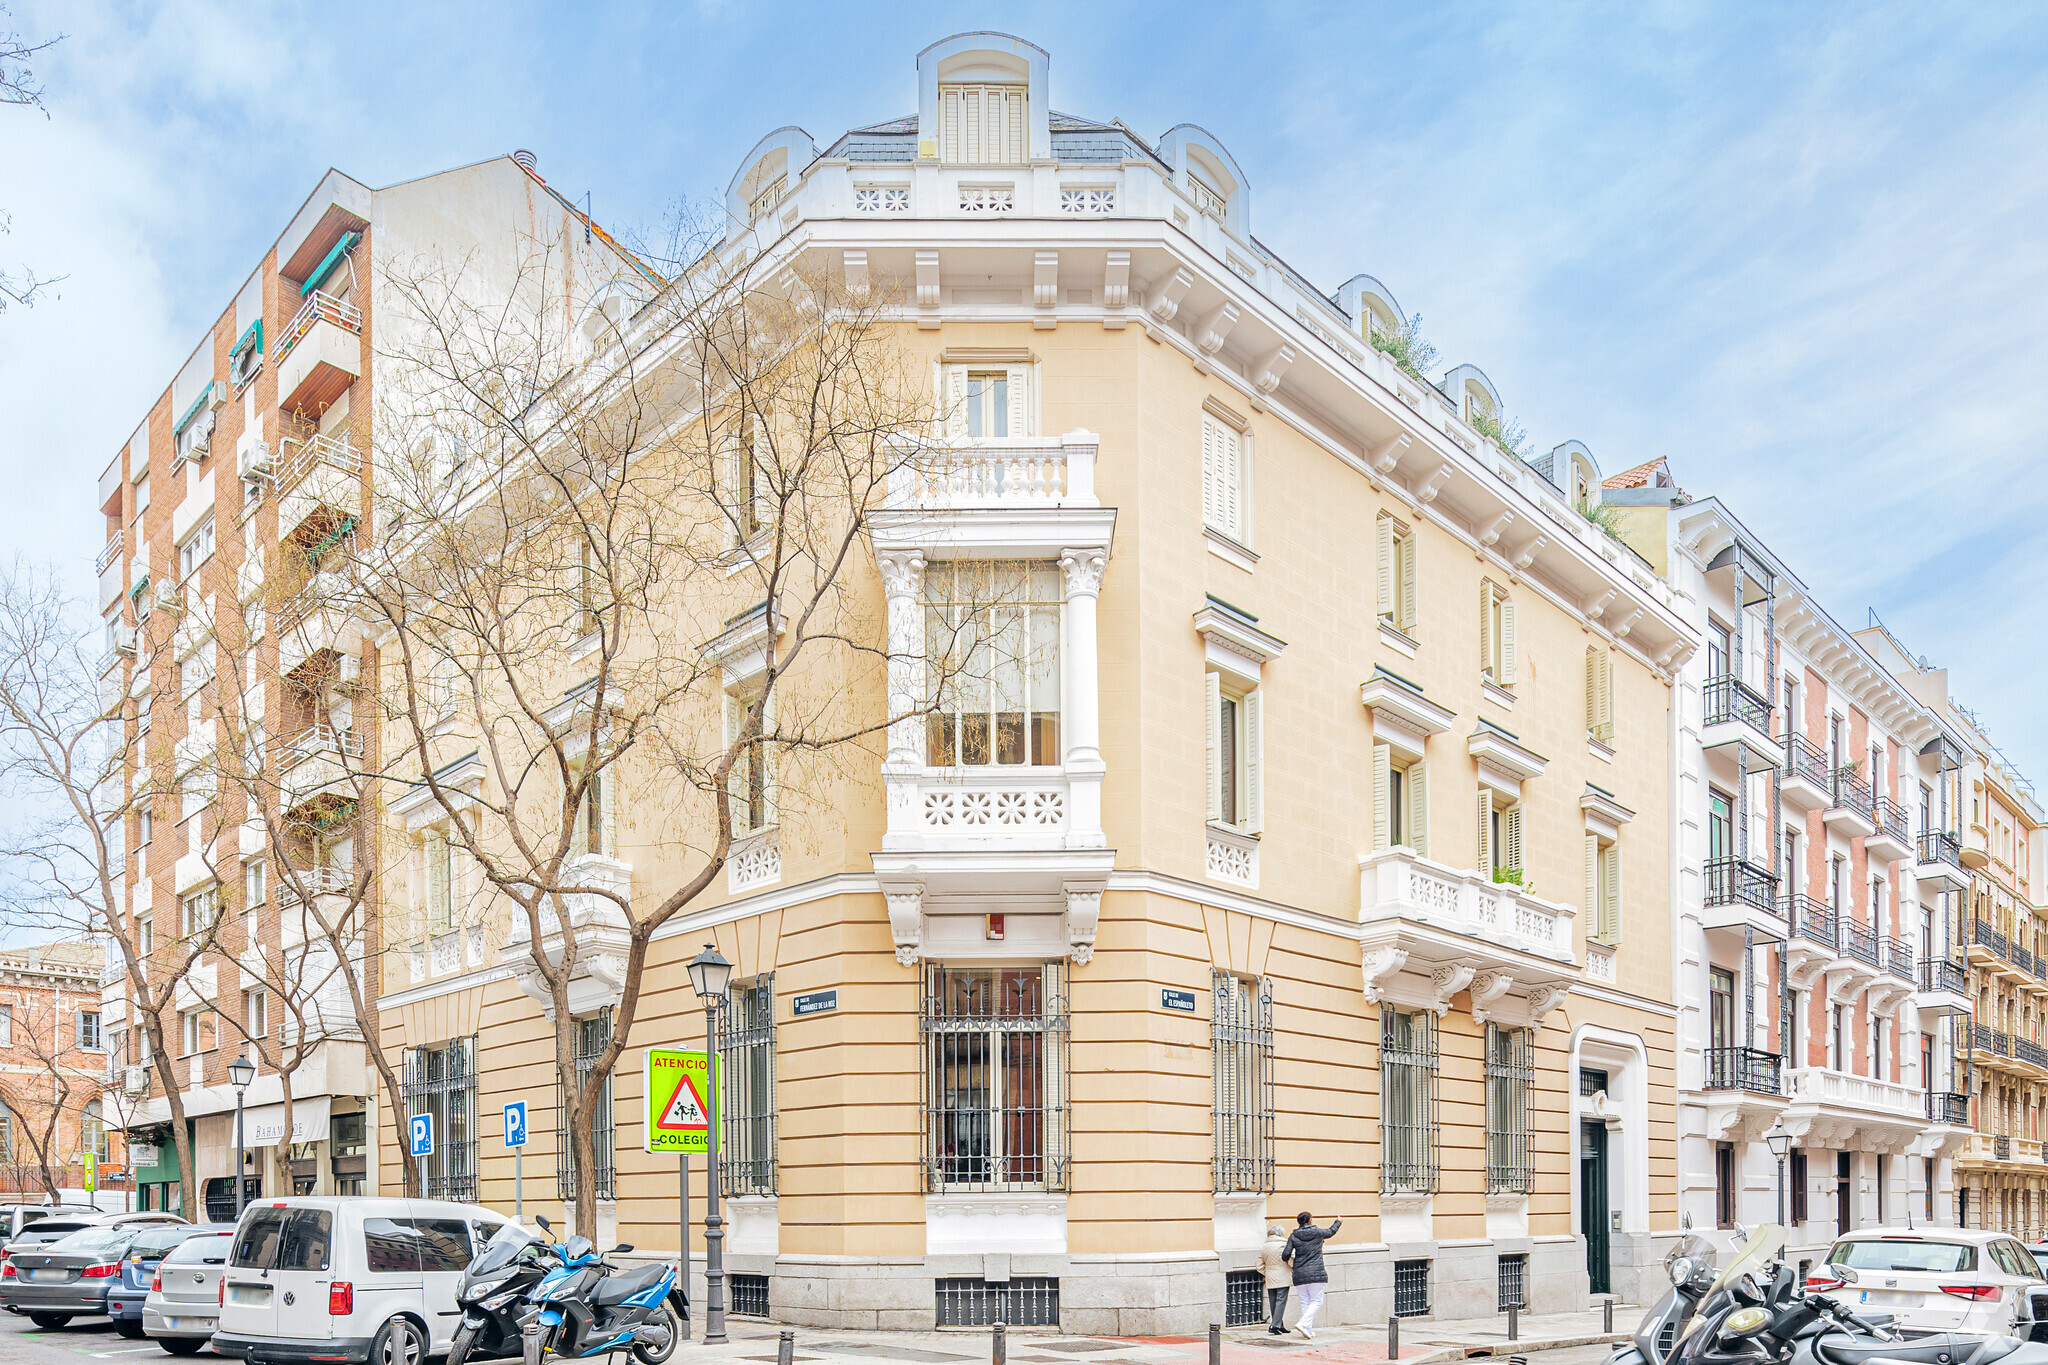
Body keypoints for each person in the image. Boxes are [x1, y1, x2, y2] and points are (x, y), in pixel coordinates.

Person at [1282, 1210, 1341, 1339]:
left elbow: (1285, 1255)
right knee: (1317, 1301)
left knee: (1305, 1302)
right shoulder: (1318, 1232)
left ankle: (1307, 1329)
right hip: (1316, 1272)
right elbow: (1331, 1232)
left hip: (1299, 1273)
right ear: (1310, 1220)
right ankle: (1303, 1323)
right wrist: (1338, 1222)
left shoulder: (1293, 1236)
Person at [1259, 1223, 1292, 1334]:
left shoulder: (1264, 1246)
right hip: (1282, 1276)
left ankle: (1279, 1324)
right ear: (1280, 1233)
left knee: (1273, 1301)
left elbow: (1259, 1265)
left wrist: (1267, 1272)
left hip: (1270, 1276)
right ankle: (1274, 1326)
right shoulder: (1283, 1245)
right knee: (1281, 1301)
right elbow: (1290, 1260)